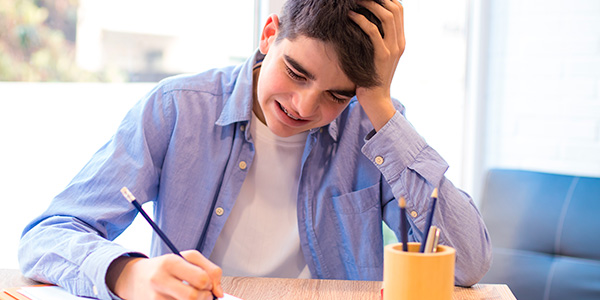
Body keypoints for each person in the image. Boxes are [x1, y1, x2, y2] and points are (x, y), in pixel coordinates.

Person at [19, 0, 492, 299]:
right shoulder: (177, 110)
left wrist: (380, 106)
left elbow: (468, 262)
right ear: (269, 34)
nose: (304, 106)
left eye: (337, 94)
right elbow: (48, 236)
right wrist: (128, 275)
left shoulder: (373, 126)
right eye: (297, 72)